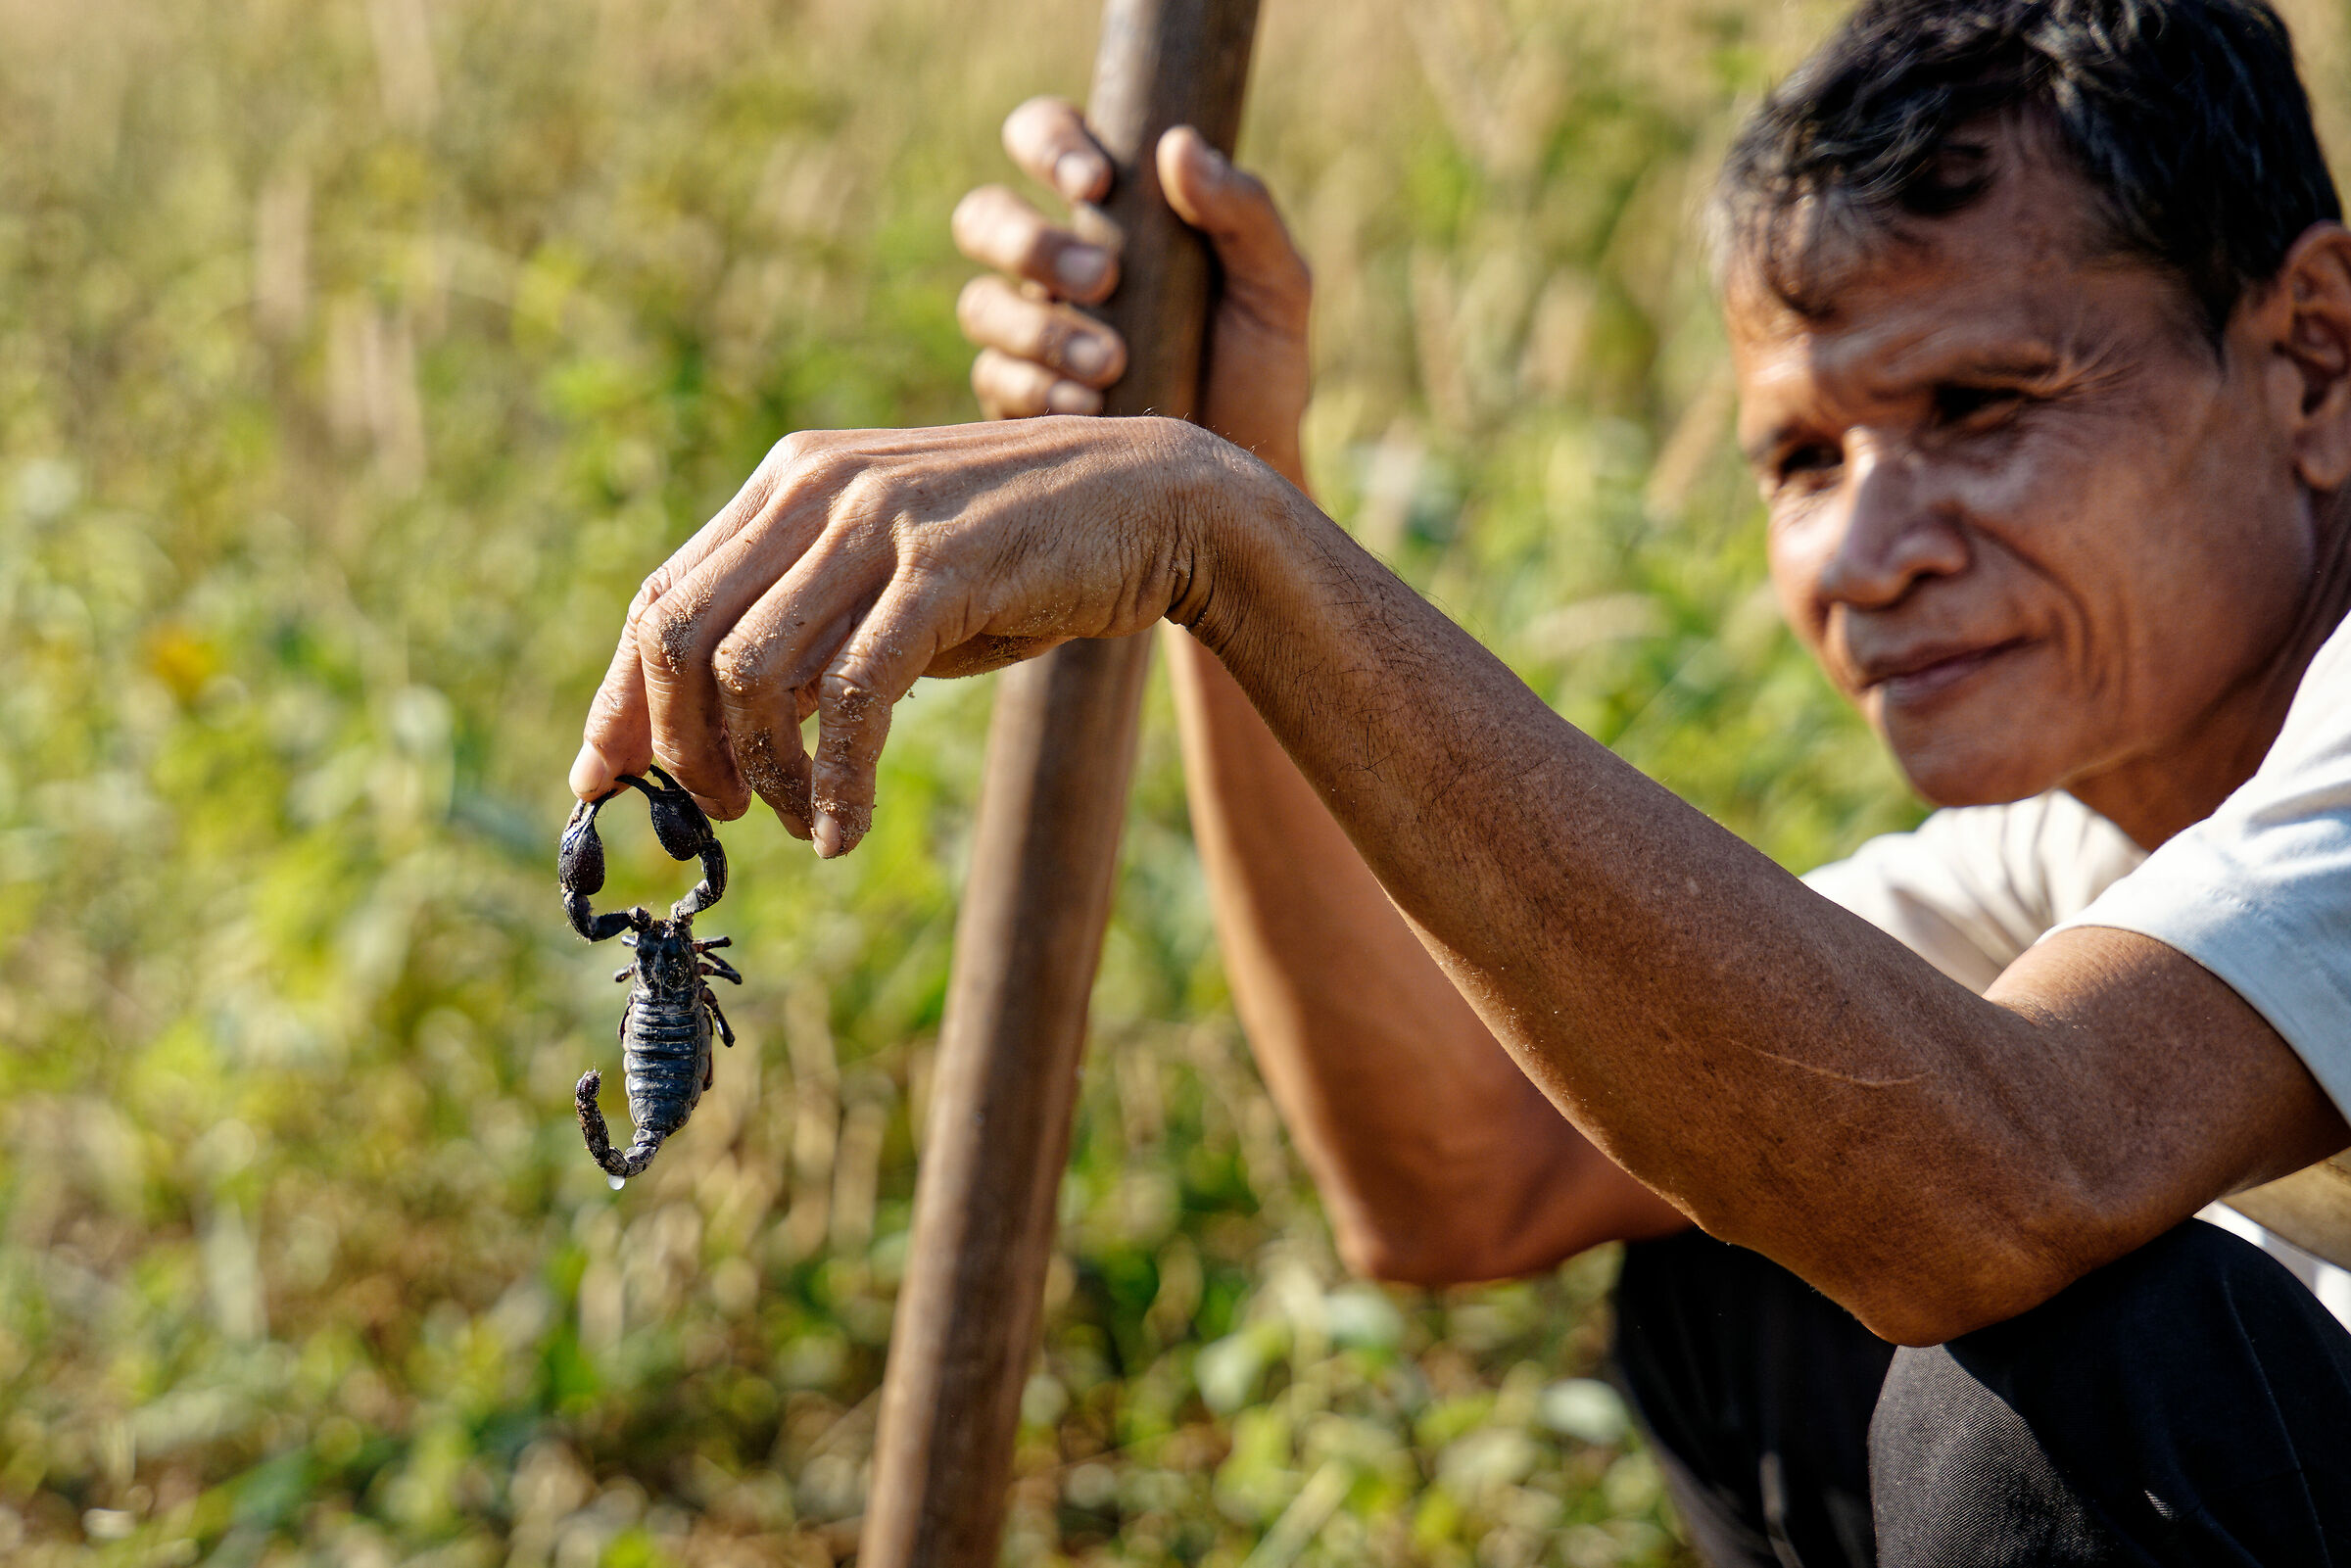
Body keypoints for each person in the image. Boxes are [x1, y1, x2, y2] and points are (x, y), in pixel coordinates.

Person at [570, 0, 2351, 1559]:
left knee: (2035, 1350)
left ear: (2315, 360)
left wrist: (1229, 532)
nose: (1867, 548)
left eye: (1984, 402)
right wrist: (1237, 527)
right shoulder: (2076, 845)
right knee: (1753, 1225)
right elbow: (1461, 1176)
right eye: (1801, 455)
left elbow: (1998, 1174)